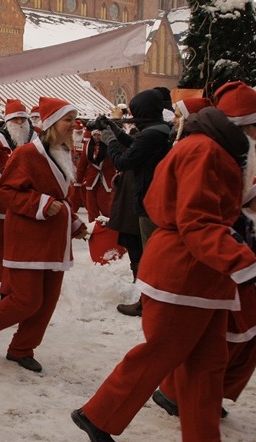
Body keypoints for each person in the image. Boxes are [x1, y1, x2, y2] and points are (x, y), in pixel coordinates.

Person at [71, 81, 256, 442]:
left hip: (201, 279)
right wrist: (242, 263)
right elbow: (197, 221)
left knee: (208, 363)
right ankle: (98, 415)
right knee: (159, 353)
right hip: (182, 276)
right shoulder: (206, 151)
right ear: (240, 124)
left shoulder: (213, 149)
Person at [153, 177, 256, 417]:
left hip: (247, 304)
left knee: (240, 351)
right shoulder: (225, 230)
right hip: (227, 302)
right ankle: (177, 394)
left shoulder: (255, 224)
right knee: (216, 354)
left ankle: (205, 394)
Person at [0, 97, 87, 373]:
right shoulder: (26, 154)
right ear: (51, 123)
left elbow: (62, 197)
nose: (73, 125)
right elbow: (7, 192)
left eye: (74, 119)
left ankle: (22, 349)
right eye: (67, 120)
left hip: (55, 240)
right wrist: (42, 205)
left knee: (47, 303)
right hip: (28, 239)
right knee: (27, 299)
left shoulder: (64, 152)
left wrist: (74, 223)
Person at [99, 89, 172, 316]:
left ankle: (148, 303)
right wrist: (115, 128)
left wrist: (109, 141)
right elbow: (136, 146)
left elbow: (124, 160)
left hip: (149, 202)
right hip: (154, 199)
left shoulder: (152, 134)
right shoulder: (158, 130)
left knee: (150, 257)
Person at [0, 99, 37, 295]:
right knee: (1, 243)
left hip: (30, 198)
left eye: (23, 119)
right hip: (3, 202)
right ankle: (5, 280)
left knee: (28, 241)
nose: (20, 123)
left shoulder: (37, 137)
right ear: (8, 121)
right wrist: (4, 174)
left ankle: (24, 281)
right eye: (16, 119)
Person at [76, 129, 115, 222]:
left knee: (106, 205)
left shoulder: (110, 145)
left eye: (99, 135)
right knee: (91, 206)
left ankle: (109, 227)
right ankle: (92, 227)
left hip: (107, 178)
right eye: (95, 135)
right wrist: (78, 181)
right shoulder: (87, 146)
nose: (97, 137)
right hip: (91, 179)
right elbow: (82, 164)